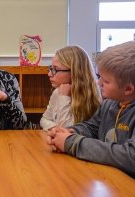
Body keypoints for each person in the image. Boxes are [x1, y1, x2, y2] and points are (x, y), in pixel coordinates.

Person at [47, 41, 135, 178]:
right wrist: (69, 132)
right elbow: (91, 127)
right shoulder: (109, 104)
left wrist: (71, 142)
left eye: (105, 81)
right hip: (108, 179)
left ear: (128, 89)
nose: (99, 83)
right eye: (100, 77)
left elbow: (130, 156)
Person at [40, 45, 101, 130]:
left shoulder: (87, 97)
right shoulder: (58, 92)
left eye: (56, 69)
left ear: (75, 72)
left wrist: (64, 98)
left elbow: (67, 132)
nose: (49, 74)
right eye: (51, 68)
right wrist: (56, 128)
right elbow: (44, 119)